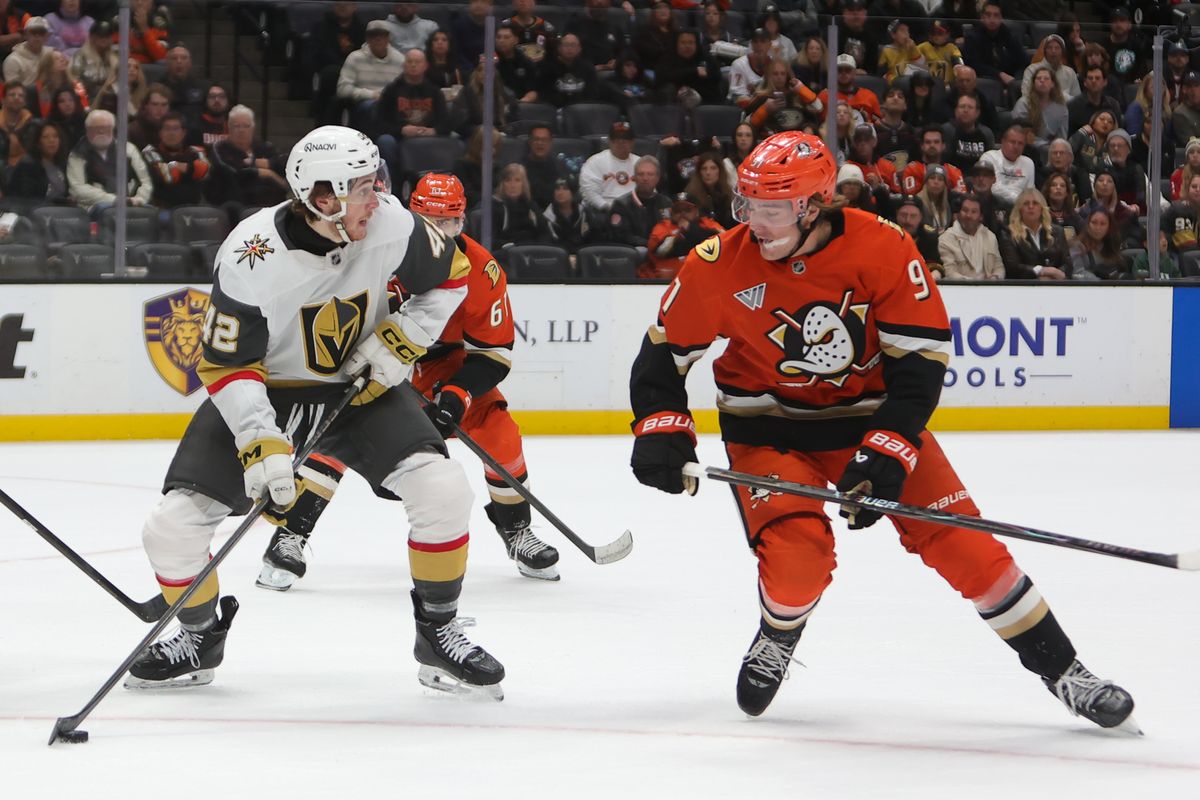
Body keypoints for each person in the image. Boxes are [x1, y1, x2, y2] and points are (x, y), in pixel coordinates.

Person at [628, 129, 1136, 730]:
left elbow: (919, 365)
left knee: (969, 547)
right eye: (747, 205)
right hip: (769, 433)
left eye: (770, 209)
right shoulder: (717, 263)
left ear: (812, 205)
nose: (753, 222)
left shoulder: (884, 247)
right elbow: (662, 358)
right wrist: (661, 428)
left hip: (870, 422)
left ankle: (1065, 670)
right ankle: (779, 631)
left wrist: (889, 449)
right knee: (797, 563)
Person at [124, 126, 506, 700]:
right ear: (322, 199)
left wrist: (403, 340)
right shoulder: (250, 257)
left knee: (444, 491)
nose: (377, 196)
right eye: (362, 188)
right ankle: (199, 637)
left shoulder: (392, 224)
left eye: (375, 181)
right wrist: (261, 443)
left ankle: (438, 634)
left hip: (359, 388)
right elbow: (226, 366)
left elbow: (452, 274)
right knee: (172, 529)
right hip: (266, 389)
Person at [256, 171, 561, 590]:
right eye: (428, 221)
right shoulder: (373, 250)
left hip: (442, 365)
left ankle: (517, 531)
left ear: (462, 223)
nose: (438, 232)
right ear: (410, 217)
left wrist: (456, 395)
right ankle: (291, 534)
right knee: (336, 434)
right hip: (366, 355)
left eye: (448, 222)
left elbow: (493, 352)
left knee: (500, 433)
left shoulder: (482, 271)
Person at [66, 108, 153, 218]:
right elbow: (77, 189)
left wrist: (139, 200)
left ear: (113, 129)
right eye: (96, 128)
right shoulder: (77, 154)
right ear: (87, 131)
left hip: (132, 207)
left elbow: (145, 181)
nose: (101, 132)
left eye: (106, 128)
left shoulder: (128, 150)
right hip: (94, 211)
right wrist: (115, 200)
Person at [207, 105, 288, 213]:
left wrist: (269, 163)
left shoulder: (265, 147)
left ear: (253, 128)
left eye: (246, 126)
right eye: (237, 126)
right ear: (229, 128)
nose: (242, 130)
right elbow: (235, 172)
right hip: (233, 201)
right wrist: (269, 174)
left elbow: (284, 165)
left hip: (268, 202)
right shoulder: (219, 147)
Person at [638, 192, 723, 279]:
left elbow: (723, 241)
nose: (682, 214)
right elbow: (659, 251)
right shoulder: (663, 227)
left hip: (701, 272)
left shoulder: (707, 223)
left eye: (687, 210)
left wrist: (690, 229)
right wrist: (678, 237)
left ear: (696, 211)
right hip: (666, 277)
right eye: (677, 210)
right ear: (671, 212)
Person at [336, 20, 405, 128]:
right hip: (363, 105)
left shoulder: (400, 60)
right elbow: (342, 89)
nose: (378, 38)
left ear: (388, 38)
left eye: (382, 35)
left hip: (393, 106)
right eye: (373, 35)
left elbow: (405, 89)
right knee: (372, 107)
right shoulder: (354, 58)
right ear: (367, 39)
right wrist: (371, 95)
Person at [141, 110, 210, 210]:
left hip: (193, 209)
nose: (171, 133)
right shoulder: (149, 152)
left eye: (175, 129)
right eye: (167, 129)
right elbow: (167, 176)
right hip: (159, 209)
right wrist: (192, 170)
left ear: (183, 133)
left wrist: (174, 165)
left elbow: (205, 172)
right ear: (160, 133)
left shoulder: (195, 152)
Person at [998, 187, 1069, 280]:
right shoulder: (1008, 233)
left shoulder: (1057, 231)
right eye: (1026, 203)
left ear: (1042, 208)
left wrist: (1056, 274)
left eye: (1035, 203)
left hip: (1056, 285)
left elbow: (1067, 264)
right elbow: (1012, 267)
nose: (1031, 207)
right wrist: (1040, 272)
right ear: (1020, 209)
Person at [608, 154, 672, 250]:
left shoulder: (666, 202)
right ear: (634, 178)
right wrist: (651, 244)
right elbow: (621, 237)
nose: (645, 178)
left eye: (650, 174)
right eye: (641, 174)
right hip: (634, 253)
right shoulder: (621, 205)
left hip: (661, 252)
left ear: (657, 178)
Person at [3, 118, 68, 212]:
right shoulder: (28, 165)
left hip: (60, 213)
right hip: (34, 214)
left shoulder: (61, 163)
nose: (52, 140)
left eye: (55, 136)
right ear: (38, 142)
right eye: (45, 137)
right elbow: (26, 200)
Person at [579, 121, 640, 215]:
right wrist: (608, 208)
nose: (620, 142)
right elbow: (589, 191)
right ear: (609, 142)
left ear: (632, 142)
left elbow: (650, 190)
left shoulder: (640, 163)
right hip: (603, 211)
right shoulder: (595, 161)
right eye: (616, 139)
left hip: (635, 211)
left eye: (625, 139)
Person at [938, 193, 1003, 280]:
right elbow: (950, 272)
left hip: (988, 289)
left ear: (981, 217)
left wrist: (995, 277)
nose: (968, 215)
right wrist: (972, 284)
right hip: (960, 289)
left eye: (974, 212)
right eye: (965, 210)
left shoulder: (990, 236)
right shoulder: (945, 239)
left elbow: (999, 267)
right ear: (958, 214)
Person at [490, 162, 547, 250]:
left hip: (532, 251)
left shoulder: (531, 206)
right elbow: (492, 240)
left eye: (517, 180)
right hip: (508, 252)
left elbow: (544, 233)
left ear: (523, 184)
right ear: (502, 184)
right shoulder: (496, 207)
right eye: (508, 180)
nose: (513, 185)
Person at [977, 124, 1035, 206]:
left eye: (1020, 143)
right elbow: (994, 188)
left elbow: (1030, 191)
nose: (1016, 146)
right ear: (1003, 142)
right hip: (994, 204)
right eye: (1012, 142)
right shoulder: (989, 157)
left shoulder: (1028, 163)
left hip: (1020, 209)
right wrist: (1020, 200)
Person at [1012, 66, 1069, 147]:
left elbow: (1062, 137)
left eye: (1046, 78)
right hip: (1027, 146)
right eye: (1039, 78)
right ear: (1034, 83)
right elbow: (1017, 131)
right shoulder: (1024, 103)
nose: (1042, 81)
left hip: (1051, 148)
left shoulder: (1061, 107)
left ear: (1052, 83)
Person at [1067, 207, 1126, 280]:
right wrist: (1101, 284)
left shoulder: (1112, 244)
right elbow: (1077, 273)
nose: (1098, 228)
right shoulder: (1077, 246)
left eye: (1103, 224)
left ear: (1109, 227)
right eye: (1094, 222)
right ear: (1088, 224)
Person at [942, 93, 993, 172]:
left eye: (970, 107)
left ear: (977, 113)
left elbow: (990, 164)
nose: (965, 110)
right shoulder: (946, 130)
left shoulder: (986, 133)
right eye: (962, 106)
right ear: (956, 111)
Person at [1020, 34, 1080, 101]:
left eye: (1057, 48)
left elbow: (1077, 100)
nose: (1053, 51)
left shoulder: (1070, 72)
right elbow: (1026, 96)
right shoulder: (1031, 70)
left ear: (1062, 52)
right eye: (1049, 48)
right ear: (1045, 51)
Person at [1066, 65, 1123, 134]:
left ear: (1105, 82)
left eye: (1097, 78)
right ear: (1085, 82)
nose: (1093, 81)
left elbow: (1119, 133)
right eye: (1090, 78)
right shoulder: (1073, 106)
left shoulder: (1113, 105)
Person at [70, 18, 115, 99]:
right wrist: (83, 101)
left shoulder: (115, 57)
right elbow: (75, 80)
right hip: (87, 98)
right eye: (100, 35)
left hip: (110, 98)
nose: (104, 39)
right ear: (92, 37)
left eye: (107, 36)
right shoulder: (81, 55)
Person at [543, 177, 589, 253]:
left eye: (565, 189)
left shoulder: (584, 213)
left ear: (573, 192)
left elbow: (592, 239)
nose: (560, 192)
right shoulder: (547, 217)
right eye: (557, 189)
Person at [3, 15, 51, 85]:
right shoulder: (13, 60)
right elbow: (13, 90)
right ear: (25, 34)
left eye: (41, 32)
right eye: (33, 32)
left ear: (47, 36)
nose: (37, 36)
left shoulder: (52, 55)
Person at [878, 19, 926, 84]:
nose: (906, 34)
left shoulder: (911, 47)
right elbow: (881, 72)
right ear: (893, 35)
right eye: (902, 30)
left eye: (907, 31)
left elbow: (920, 64)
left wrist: (913, 48)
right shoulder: (886, 50)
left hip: (910, 81)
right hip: (893, 82)